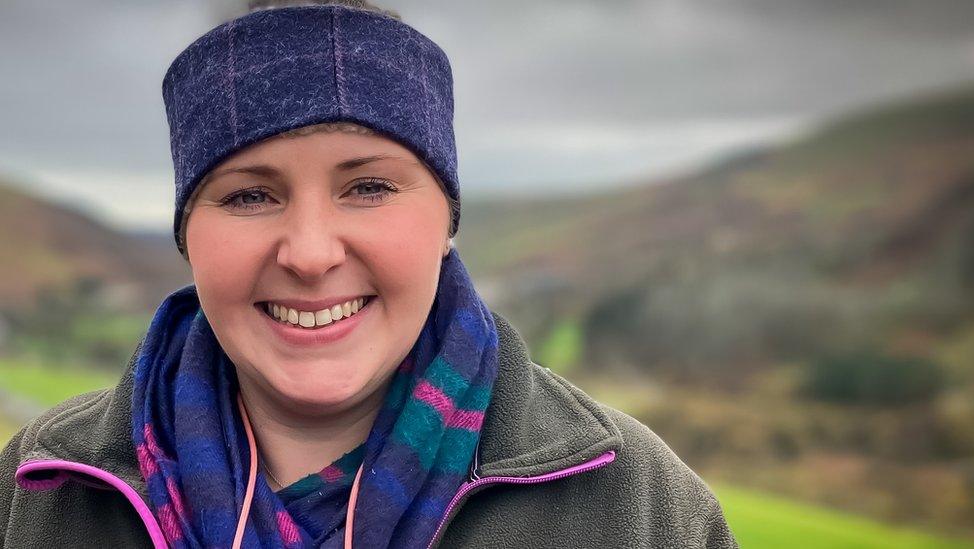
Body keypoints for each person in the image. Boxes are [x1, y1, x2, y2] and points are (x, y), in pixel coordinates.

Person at [0, 2, 738, 548]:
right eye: (250, 194)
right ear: (188, 234)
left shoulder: (640, 505)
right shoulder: (38, 490)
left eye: (370, 187)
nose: (311, 252)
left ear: (447, 220)